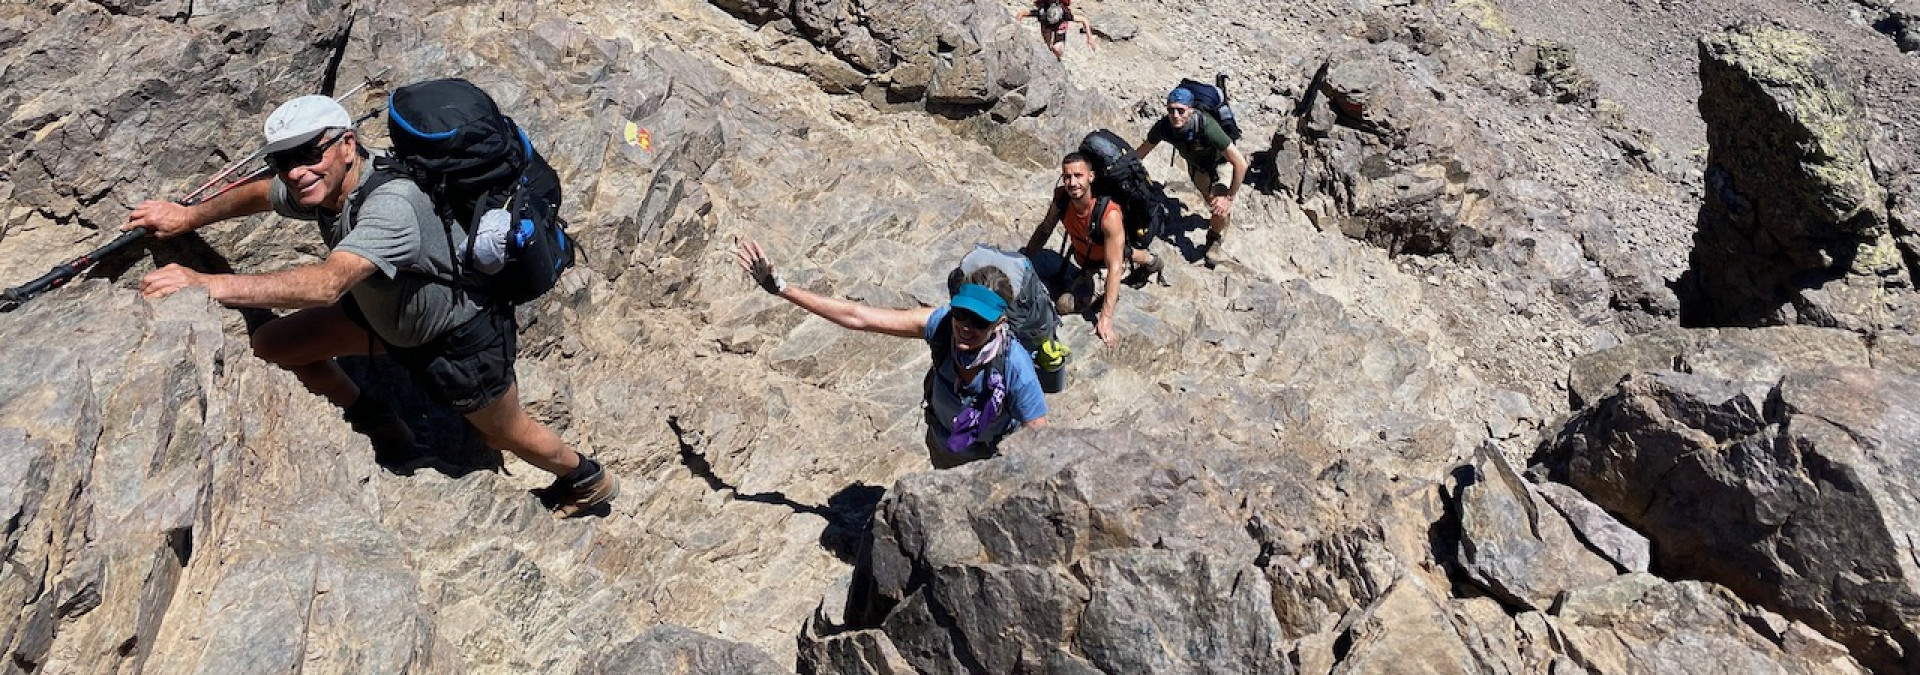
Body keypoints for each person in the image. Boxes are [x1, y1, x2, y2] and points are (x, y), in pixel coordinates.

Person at [125, 95, 618, 518]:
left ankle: (585, 477)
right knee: (275, 344)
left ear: (346, 144)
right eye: (283, 161)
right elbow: (262, 194)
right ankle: (381, 422)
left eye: (307, 154)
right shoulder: (323, 183)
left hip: (457, 341)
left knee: (505, 434)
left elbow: (326, 285)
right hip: (387, 315)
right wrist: (189, 216)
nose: (295, 172)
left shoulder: (391, 206)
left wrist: (208, 284)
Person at [734, 239, 1048, 468]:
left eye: (980, 320)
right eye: (962, 313)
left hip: (988, 459)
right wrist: (781, 288)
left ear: (1000, 322)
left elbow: (1038, 437)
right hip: (943, 443)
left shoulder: (1014, 365)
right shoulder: (939, 324)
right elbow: (859, 317)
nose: (967, 326)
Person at [1022, 152, 1160, 346]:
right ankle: (1146, 259)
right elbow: (1045, 229)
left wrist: (1106, 319)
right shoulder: (1062, 198)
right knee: (1117, 250)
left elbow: (1114, 267)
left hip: (1104, 264)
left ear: (1091, 177)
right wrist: (1024, 259)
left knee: (1064, 304)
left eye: (1078, 176)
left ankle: (1149, 260)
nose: (1072, 182)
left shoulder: (1108, 214)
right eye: (1067, 177)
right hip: (1087, 256)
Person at [1135, 86, 1250, 264]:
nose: (1175, 115)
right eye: (1171, 110)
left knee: (1218, 208)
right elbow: (1140, 153)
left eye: (1181, 110)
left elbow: (1240, 163)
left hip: (1221, 165)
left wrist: (1229, 197)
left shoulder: (1206, 126)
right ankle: (1219, 220)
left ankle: (1214, 239)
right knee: (1210, 202)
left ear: (1191, 110)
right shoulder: (1163, 127)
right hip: (1197, 168)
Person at [1014, 0, 1094, 60]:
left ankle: (1058, 57)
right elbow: (1022, 13)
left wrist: (1089, 38)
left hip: (1060, 25)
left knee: (1057, 48)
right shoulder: (1042, 13)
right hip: (1046, 24)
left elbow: (1084, 20)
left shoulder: (1064, 15)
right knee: (1048, 45)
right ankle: (1049, 51)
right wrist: (1016, 28)